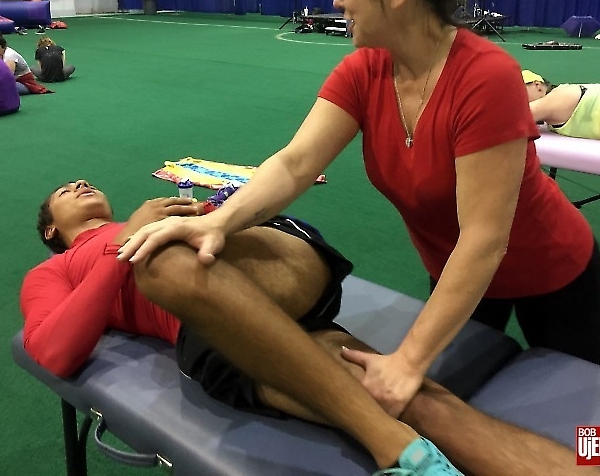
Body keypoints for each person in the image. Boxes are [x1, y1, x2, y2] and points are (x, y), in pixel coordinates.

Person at [119, 0, 600, 430]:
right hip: (454, 273)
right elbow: (295, 164)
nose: (337, 0)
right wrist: (217, 223)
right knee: (466, 408)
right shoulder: (363, 70)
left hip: (552, 271)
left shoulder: (485, 77)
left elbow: (484, 239)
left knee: (582, 428)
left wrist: (409, 360)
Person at [22, 180, 589, 476]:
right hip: (218, 332)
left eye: (84, 181)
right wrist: (122, 248)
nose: (81, 184)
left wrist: (204, 216)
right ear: (51, 231)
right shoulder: (54, 270)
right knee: (415, 401)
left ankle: (395, 448)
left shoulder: (150, 213)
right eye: (65, 191)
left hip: (273, 267)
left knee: (174, 252)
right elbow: (52, 349)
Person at [523, 69, 600, 140]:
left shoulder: (557, 97)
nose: (517, 98)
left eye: (519, 90)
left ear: (537, 85)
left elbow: (518, 118)